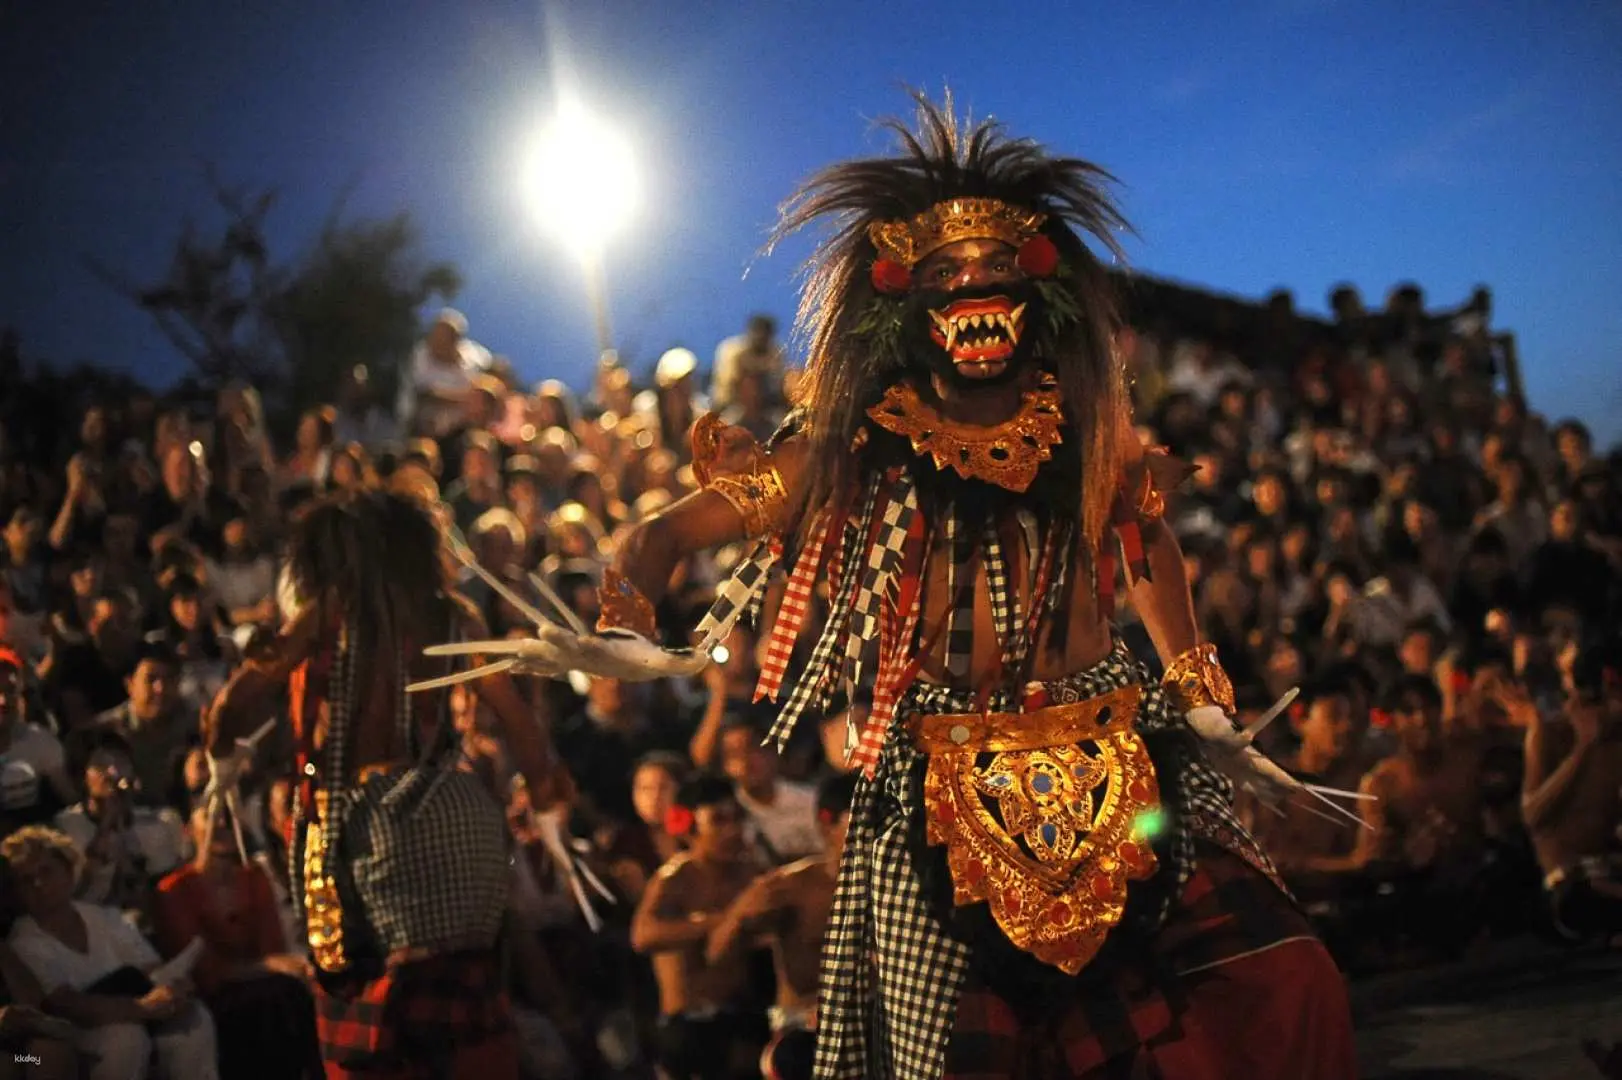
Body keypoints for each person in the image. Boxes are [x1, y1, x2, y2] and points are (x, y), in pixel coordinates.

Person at [581, 94, 1356, 1078]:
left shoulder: (1083, 421)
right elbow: (663, 533)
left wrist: (1193, 681)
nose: (974, 284)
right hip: (940, 773)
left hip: (1120, 748)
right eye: (945, 270)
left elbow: (1144, 536)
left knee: (1281, 976)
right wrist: (628, 612)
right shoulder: (850, 445)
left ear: (1038, 284)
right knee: (951, 1060)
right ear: (899, 296)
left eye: (995, 264)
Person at [205, 487, 573, 1079]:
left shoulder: (329, 610)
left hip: (365, 823)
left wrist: (222, 757)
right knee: (467, 1001)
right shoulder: (455, 613)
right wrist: (547, 801)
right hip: (459, 813)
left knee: (364, 999)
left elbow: (232, 707)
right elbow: (519, 722)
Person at [3, 826, 219, 1080]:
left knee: (194, 1018)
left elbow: (150, 968)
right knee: (124, 1038)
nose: (39, 884)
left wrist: (172, 990)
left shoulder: (104, 917)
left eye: (46, 871)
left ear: (68, 870)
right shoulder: (24, 940)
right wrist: (141, 1008)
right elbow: (64, 1004)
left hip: (137, 1013)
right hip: (77, 1035)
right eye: (26, 880)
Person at [152, 800, 321, 1080]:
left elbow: (273, 946)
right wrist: (267, 966)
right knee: (274, 1000)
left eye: (228, 816)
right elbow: (203, 971)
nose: (221, 824)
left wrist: (276, 965)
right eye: (211, 816)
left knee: (292, 992)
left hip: (268, 990)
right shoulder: (174, 889)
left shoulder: (252, 876)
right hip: (210, 997)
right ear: (189, 829)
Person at [709, 773, 855, 1080]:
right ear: (826, 824)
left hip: (874, 1028)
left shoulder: (903, 886)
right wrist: (739, 916)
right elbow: (718, 956)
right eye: (863, 823)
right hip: (803, 1036)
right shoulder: (788, 887)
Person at [630, 774, 769, 1080]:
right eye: (718, 821)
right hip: (688, 1026)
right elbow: (643, 935)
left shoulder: (750, 873)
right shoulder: (675, 878)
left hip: (743, 1015)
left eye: (736, 819)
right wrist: (717, 921)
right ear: (688, 827)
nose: (732, 830)